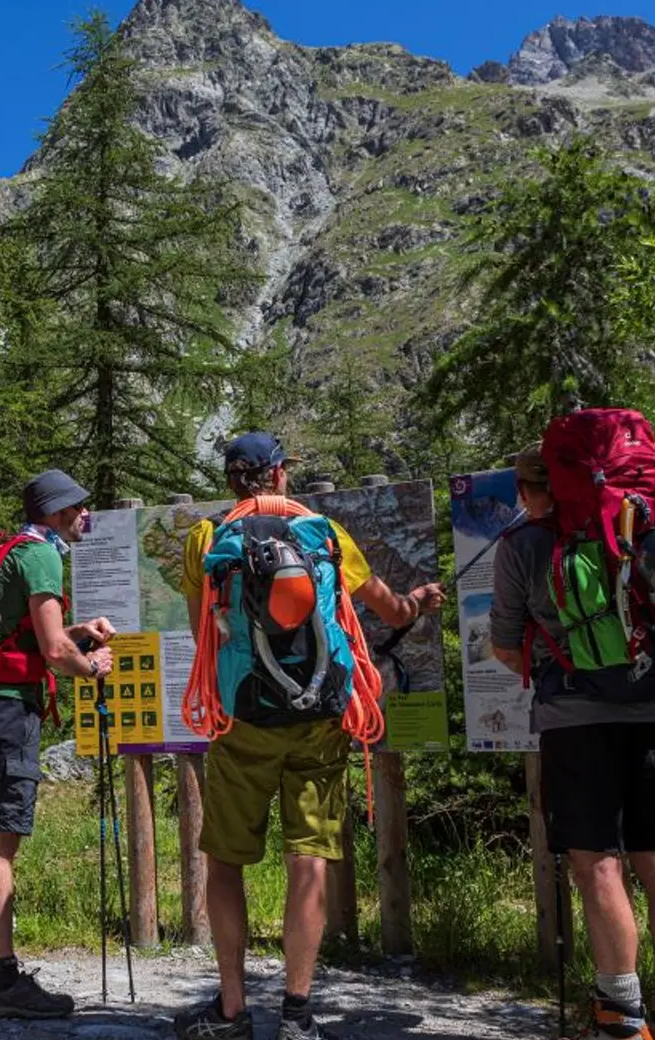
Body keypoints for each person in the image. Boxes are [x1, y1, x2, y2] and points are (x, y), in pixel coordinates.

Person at [174, 433, 444, 1040]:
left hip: (243, 718)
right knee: (309, 858)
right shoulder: (324, 533)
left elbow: (204, 640)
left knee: (224, 861)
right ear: (278, 476)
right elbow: (388, 609)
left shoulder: (206, 537)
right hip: (322, 717)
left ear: (233, 482)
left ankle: (232, 1010)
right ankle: (297, 1012)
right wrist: (417, 604)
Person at [489, 444, 655, 1040]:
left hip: (574, 721)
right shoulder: (636, 526)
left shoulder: (523, 547)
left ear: (533, 490)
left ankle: (618, 1016)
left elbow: (506, 647)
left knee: (597, 864)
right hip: (650, 709)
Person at [0, 468, 115, 1019]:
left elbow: (20, 636)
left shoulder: (10, 550)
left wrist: (77, 633)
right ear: (57, 511)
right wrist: (90, 665)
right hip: (7, 712)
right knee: (0, 844)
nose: (82, 516)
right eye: (76, 507)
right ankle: (4, 979)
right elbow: (51, 651)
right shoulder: (44, 556)